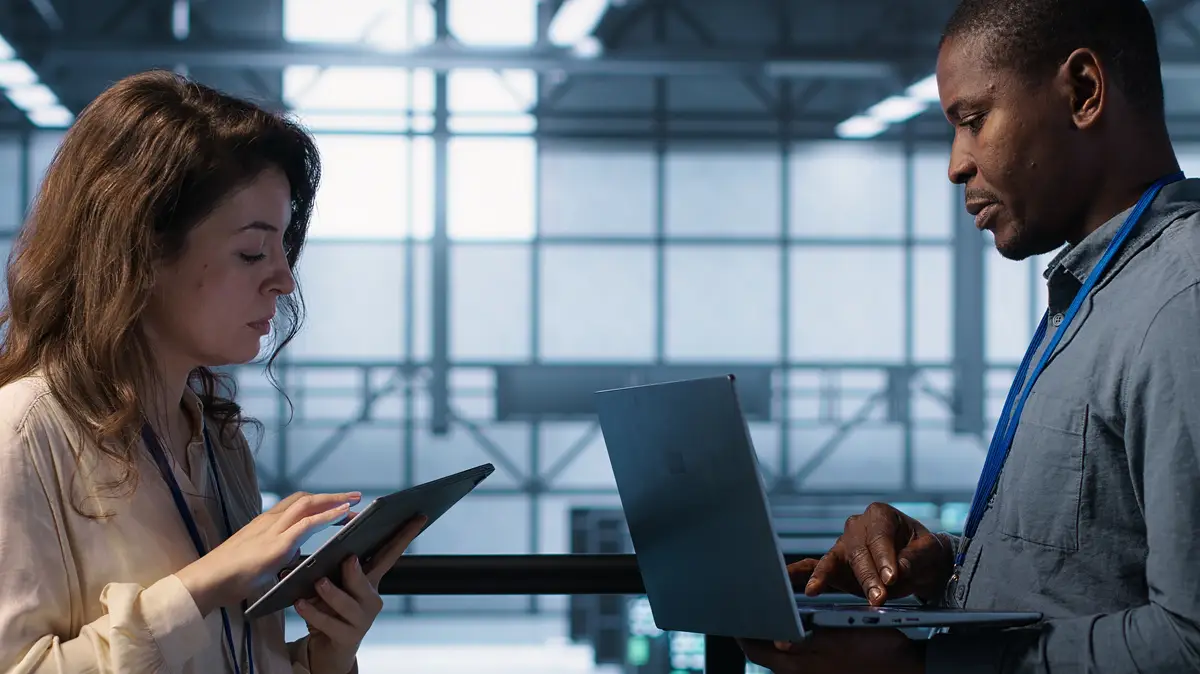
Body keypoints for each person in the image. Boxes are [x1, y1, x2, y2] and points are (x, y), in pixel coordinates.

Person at [739, 0, 1200, 672]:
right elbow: (1092, 566)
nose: (957, 165)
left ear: (1083, 92)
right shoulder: (1098, 290)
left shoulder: (1180, 304)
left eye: (974, 121)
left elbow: (1191, 642)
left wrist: (919, 669)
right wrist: (942, 566)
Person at [0, 70, 424, 673]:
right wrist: (200, 587)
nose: (283, 279)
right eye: (252, 251)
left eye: (283, 249)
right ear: (140, 252)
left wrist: (323, 658)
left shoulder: (218, 441)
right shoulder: (23, 431)